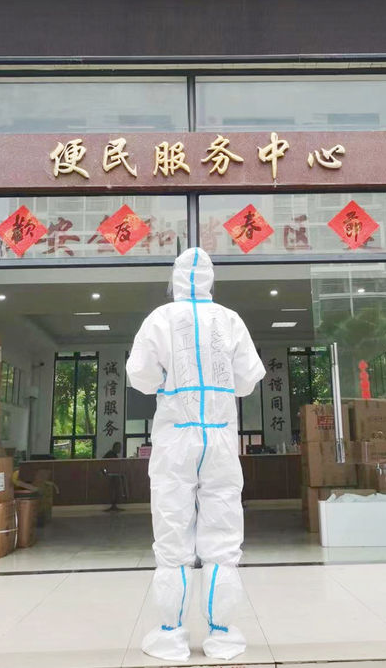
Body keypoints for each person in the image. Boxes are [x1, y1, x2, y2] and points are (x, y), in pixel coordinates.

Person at [126, 247, 265, 662]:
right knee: (223, 536)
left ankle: (171, 634)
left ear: (175, 278)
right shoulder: (230, 319)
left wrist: (170, 379)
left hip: (175, 439)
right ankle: (222, 635)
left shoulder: (160, 318)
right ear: (210, 279)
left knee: (172, 535)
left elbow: (141, 377)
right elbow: (246, 382)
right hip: (219, 437)